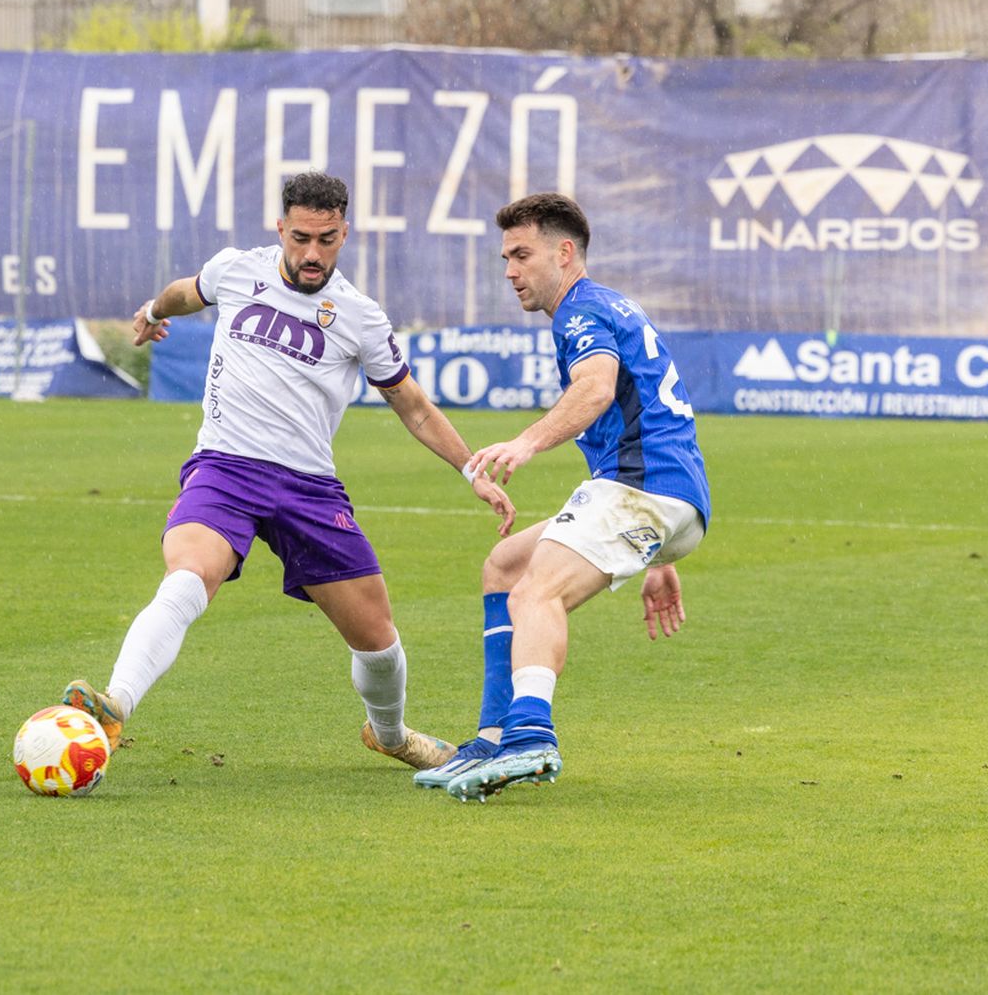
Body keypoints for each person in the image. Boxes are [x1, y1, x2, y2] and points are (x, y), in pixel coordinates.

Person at [61, 172, 515, 773]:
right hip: (225, 468)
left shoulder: (359, 316)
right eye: (300, 238)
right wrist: (151, 310)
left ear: (344, 233)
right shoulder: (235, 271)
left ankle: (390, 734)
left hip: (308, 488)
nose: (312, 253)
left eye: (326, 240)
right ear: (280, 229)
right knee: (189, 574)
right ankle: (116, 704)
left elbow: (414, 406)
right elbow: (186, 292)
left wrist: (470, 469)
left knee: (378, 641)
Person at [411, 192, 712, 802]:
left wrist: (526, 441)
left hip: (642, 489)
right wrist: (659, 554)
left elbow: (596, 389)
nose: (510, 271)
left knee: (535, 592)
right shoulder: (609, 304)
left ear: (565, 252)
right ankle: (495, 736)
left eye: (522, 255)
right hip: (665, 495)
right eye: (505, 257)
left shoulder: (580, 312)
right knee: (504, 566)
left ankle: (530, 737)